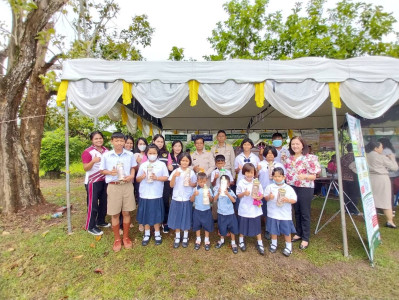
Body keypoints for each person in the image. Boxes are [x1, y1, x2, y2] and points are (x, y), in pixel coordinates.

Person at [100, 132, 137, 252]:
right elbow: (102, 170)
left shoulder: (129, 154)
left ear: (124, 142)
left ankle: (126, 237)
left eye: (121, 141)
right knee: (115, 214)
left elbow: (133, 167)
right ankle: (117, 239)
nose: (119, 143)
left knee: (126, 212)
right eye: (117, 141)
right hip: (113, 186)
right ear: (112, 142)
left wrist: (131, 176)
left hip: (127, 185)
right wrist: (110, 173)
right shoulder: (106, 155)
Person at [284, 136, 321, 250]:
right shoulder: (288, 159)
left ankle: (305, 237)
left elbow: (315, 175)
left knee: (305, 212)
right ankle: (298, 233)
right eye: (293, 144)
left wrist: (305, 176)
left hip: (305, 187)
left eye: (297, 144)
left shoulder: (310, 158)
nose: (295, 146)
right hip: (292, 187)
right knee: (297, 211)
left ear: (303, 145)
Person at [136, 144, 169, 246]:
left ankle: (157, 233)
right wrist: (142, 177)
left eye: (154, 153)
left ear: (157, 154)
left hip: (156, 193)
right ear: (147, 154)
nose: (152, 155)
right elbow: (137, 179)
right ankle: (146, 233)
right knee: (145, 213)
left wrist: (156, 178)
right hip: (145, 193)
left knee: (156, 214)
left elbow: (166, 177)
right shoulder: (143, 165)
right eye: (150, 153)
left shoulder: (161, 165)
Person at [264, 167, 297, 257]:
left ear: (284, 177)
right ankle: (274, 244)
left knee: (286, 231)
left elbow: (294, 200)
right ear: (272, 177)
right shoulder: (270, 187)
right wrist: (269, 197)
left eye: (279, 176)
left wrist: (288, 200)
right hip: (273, 213)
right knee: (273, 230)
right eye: (275, 176)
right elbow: (265, 198)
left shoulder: (289, 188)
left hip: (284, 214)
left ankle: (288, 247)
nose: (277, 178)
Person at [81, 131, 109, 236]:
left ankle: (101, 221)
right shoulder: (88, 152)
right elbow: (85, 168)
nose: (99, 140)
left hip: (105, 180)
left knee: (104, 202)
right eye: (96, 139)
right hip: (93, 181)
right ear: (92, 140)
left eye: (100, 138)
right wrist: (93, 161)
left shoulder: (106, 150)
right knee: (93, 204)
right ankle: (90, 226)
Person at [365, 141, 398, 228]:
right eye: (381, 147)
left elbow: (353, 165)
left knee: (371, 200)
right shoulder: (381, 157)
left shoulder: (366, 156)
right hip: (382, 179)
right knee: (385, 200)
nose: (382, 149)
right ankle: (390, 221)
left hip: (370, 179)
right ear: (376, 148)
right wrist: (392, 158)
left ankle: (370, 220)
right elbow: (395, 167)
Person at [168, 153, 197, 248]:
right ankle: (177, 236)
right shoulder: (176, 171)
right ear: (179, 161)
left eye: (186, 161)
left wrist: (190, 183)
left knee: (186, 216)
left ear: (189, 162)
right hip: (176, 197)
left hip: (187, 198)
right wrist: (174, 176)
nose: (184, 162)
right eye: (183, 160)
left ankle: (185, 236)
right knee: (177, 216)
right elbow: (171, 185)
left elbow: (194, 184)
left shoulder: (191, 172)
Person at [236, 163, 265, 255]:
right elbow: (238, 195)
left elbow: (262, 194)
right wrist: (244, 193)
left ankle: (259, 242)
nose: (249, 174)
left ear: (254, 173)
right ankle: (241, 240)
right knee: (243, 225)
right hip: (244, 208)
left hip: (254, 209)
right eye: (247, 172)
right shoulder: (241, 182)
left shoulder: (256, 182)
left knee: (257, 225)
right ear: (244, 173)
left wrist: (259, 198)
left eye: (251, 172)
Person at [258, 145, 285, 240]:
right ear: (265, 154)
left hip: (276, 191)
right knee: (265, 211)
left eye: (272, 153)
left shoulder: (279, 165)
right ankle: (268, 229)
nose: (270, 155)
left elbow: (283, 178)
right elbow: (256, 177)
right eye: (268, 153)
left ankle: (278, 228)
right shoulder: (260, 164)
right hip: (264, 191)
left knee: (276, 209)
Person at [151, 134, 173, 234]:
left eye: (161, 142)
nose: (160, 143)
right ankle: (155, 221)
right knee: (154, 201)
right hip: (151, 182)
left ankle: (165, 222)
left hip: (164, 182)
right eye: (158, 141)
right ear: (153, 141)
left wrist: (170, 166)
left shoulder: (166, 153)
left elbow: (170, 164)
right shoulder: (149, 152)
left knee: (165, 201)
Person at [214, 175, 239, 254]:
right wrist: (218, 193)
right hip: (221, 213)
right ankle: (221, 240)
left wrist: (228, 194)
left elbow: (234, 201)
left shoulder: (231, 191)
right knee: (222, 227)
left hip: (230, 213)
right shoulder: (217, 190)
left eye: (225, 183)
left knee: (232, 228)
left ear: (228, 184)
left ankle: (233, 242)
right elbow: (214, 200)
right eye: (222, 183)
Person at [190, 172, 214, 251]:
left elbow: (212, 200)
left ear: (206, 181)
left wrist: (210, 196)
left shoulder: (208, 189)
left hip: (206, 210)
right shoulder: (195, 189)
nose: (202, 183)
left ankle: (207, 240)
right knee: (197, 225)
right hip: (197, 210)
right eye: (200, 182)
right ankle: (198, 239)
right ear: (197, 181)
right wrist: (194, 195)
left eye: (204, 182)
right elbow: (191, 200)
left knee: (207, 225)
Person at [341, 144, 361, 215]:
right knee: (354, 195)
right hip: (353, 178)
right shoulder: (355, 157)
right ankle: (354, 210)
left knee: (346, 195)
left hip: (343, 178)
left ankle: (346, 209)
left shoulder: (343, 157)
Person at [134, 137, 148, 232]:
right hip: (139, 180)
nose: (142, 145)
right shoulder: (135, 155)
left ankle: (148, 220)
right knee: (140, 201)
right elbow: (133, 168)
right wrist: (138, 162)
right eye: (140, 144)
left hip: (149, 181)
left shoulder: (149, 154)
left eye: (143, 143)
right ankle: (141, 223)